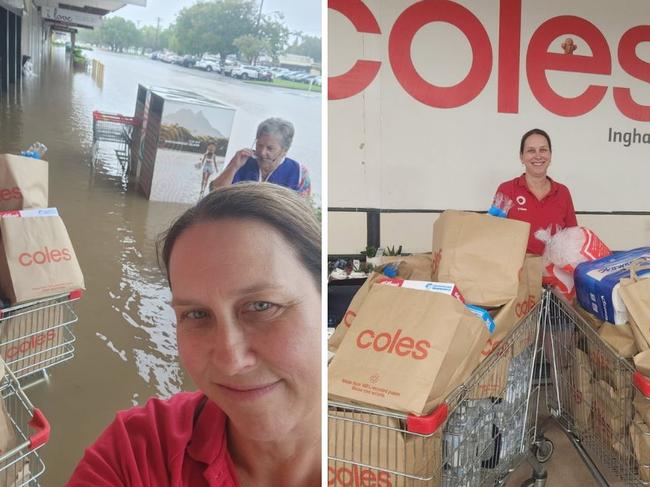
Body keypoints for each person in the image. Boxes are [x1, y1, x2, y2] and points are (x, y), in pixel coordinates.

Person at [66, 182, 321, 487]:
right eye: (197, 315)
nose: (230, 361)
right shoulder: (139, 452)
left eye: (262, 306)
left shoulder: (383, 445)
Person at [492, 128, 577, 255]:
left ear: (550, 155)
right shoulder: (506, 190)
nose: (538, 156)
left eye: (543, 150)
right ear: (521, 157)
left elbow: (573, 238)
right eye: (531, 151)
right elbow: (493, 233)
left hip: (553, 272)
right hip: (516, 271)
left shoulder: (563, 192)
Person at [211, 118, 311, 197]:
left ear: (284, 150)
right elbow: (215, 192)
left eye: (270, 148)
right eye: (259, 145)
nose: (262, 152)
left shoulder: (299, 173)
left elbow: (302, 212)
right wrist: (233, 167)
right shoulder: (242, 161)